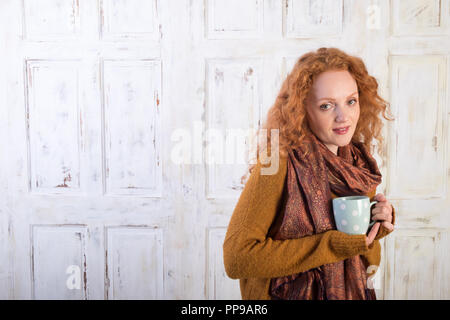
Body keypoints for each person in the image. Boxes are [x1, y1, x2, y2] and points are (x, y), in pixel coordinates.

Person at [223, 47, 396, 300]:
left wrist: (375, 225)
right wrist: (330, 246)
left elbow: (367, 263)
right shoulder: (278, 163)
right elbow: (236, 258)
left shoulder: (357, 165)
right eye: (326, 106)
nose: (343, 116)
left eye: (351, 101)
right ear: (302, 109)